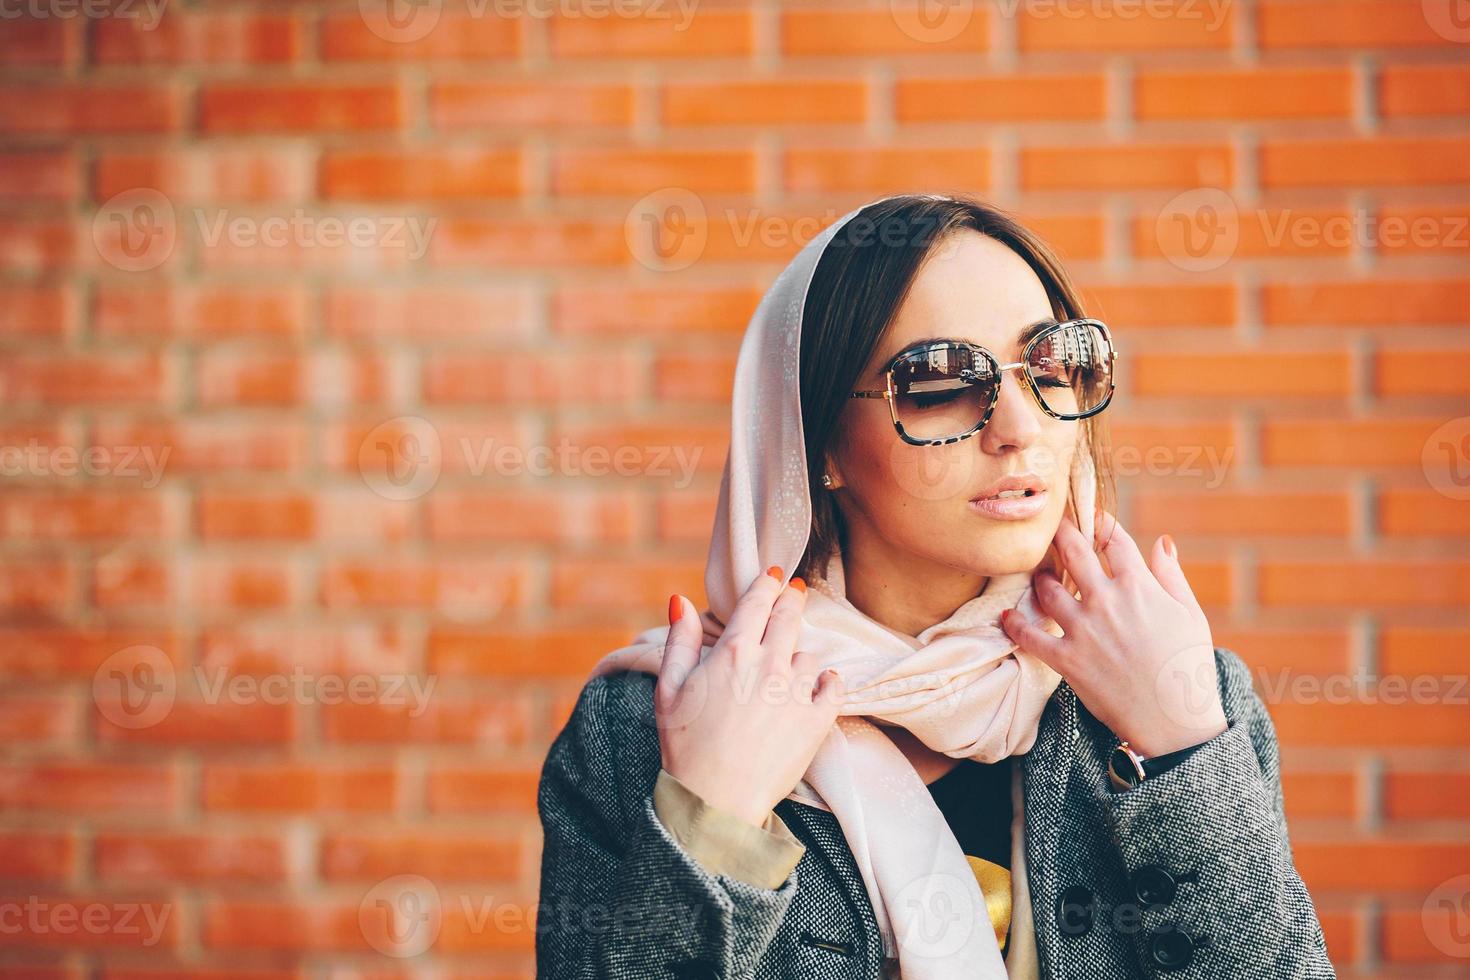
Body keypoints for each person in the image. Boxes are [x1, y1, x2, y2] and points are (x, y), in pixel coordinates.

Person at [535, 193, 1335, 979]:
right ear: (818, 446)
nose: (1021, 428)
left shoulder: (1177, 704)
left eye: (1052, 366)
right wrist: (711, 824)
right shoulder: (643, 733)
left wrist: (1185, 753)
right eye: (940, 380)